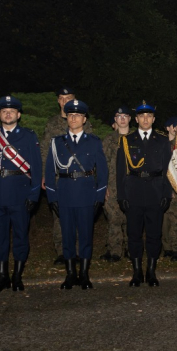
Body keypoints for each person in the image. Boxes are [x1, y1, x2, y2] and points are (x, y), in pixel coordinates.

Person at [45, 100, 108, 290]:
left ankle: (85, 274)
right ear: (67, 118)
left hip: (86, 193)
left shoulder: (94, 142)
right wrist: (52, 196)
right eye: (70, 115)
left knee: (86, 235)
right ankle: (70, 274)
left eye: (78, 115)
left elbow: (103, 172)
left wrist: (99, 196)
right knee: (68, 236)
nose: (73, 118)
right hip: (64, 193)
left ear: (84, 119)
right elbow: (49, 171)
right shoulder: (57, 143)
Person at [0, 96, 42, 292]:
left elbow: (36, 168)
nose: (8, 113)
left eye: (12, 111)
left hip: (20, 194)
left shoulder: (28, 136)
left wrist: (34, 195)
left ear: (18, 115)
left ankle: (17, 276)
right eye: (4, 111)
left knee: (20, 236)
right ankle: (2, 276)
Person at [116, 101, 172, 287]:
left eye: (149, 116)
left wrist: (167, 193)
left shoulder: (163, 141)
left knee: (154, 235)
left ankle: (151, 271)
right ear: (137, 119)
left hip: (156, 192)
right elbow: (120, 171)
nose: (145, 119)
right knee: (134, 235)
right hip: (134, 192)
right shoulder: (126, 141)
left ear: (154, 119)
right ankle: (137, 272)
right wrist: (121, 196)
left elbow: (168, 170)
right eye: (142, 116)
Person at [41, 87, 93, 265]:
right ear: (58, 101)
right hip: (58, 176)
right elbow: (45, 151)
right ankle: (63, 251)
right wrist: (44, 176)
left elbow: (91, 152)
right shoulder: (52, 124)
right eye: (62, 98)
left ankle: (79, 251)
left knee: (80, 214)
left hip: (80, 178)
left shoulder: (85, 123)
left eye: (68, 98)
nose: (65, 101)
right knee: (59, 216)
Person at [99, 107, 133, 263]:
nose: (122, 119)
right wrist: (102, 186)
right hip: (112, 186)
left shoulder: (136, 138)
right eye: (119, 116)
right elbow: (101, 164)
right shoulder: (109, 140)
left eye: (125, 116)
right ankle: (114, 251)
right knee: (113, 218)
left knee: (132, 218)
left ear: (130, 119)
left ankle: (130, 249)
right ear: (115, 120)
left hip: (133, 185)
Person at [161, 116, 177, 262]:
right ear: (169, 128)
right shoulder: (163, 145)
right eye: (176, 125)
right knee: (167, 221)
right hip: (167, 187)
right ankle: (168, 248)